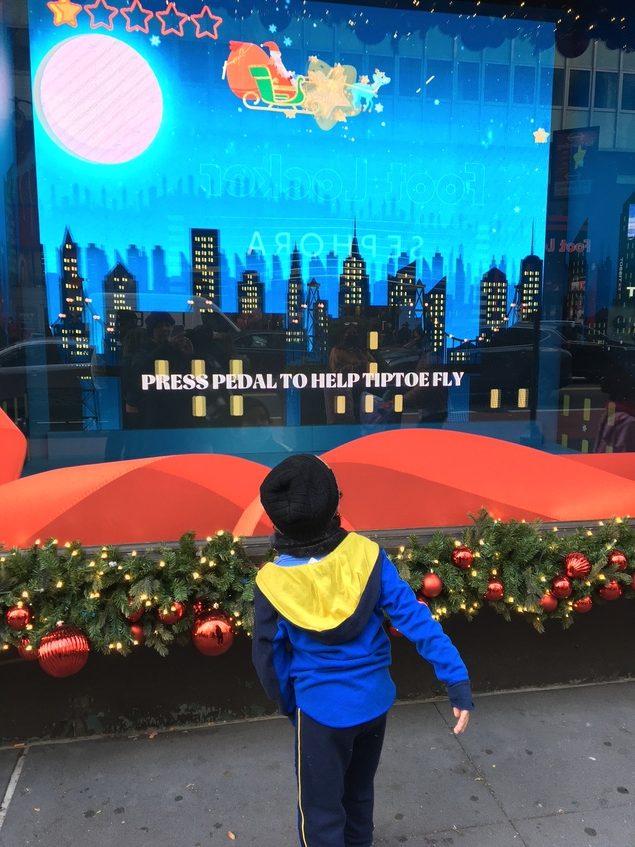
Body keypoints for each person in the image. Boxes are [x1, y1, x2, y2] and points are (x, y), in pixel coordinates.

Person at [252, 455, 473, 847]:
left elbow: (268, 658)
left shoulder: (271, 583)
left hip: (319, 711)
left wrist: (290, 705)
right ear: (333, 504)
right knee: (358, 794)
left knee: (319, 812)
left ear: (278, 522)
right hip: (373, 703)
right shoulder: (367, 556)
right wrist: (455, 677)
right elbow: (415, 618)